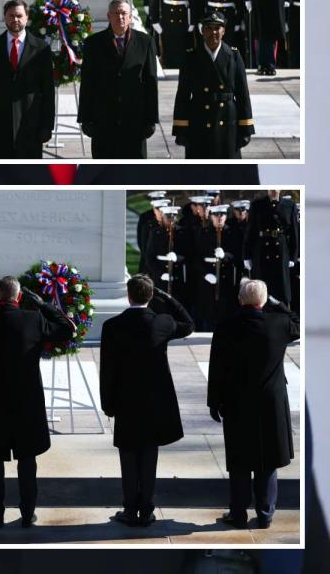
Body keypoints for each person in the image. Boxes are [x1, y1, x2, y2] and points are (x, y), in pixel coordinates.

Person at [0, 276, 76, 527]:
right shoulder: (34, 319)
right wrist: (43, 305)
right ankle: (27, 513)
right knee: (27, 461)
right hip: (27, 403)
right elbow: (67, 328)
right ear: (18, 297)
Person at [99, 275, 194, 526]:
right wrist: (170, 299)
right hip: (153, 402)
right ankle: (147, 510)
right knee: (149, 456)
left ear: (128, 296)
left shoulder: (112, 326)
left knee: (128, 457)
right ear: (151, 296)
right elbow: (188, 324)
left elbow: (107, 370)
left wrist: (107, 403)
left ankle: (130, 509)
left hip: (126, 400)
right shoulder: (161, 322)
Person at [207, 280, 299, 529]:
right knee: (267, 460)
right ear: (264, 301)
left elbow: (216, 369)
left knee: (240, 461)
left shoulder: (226, 327)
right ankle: (266, 513)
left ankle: (238, 514)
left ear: (239, 300)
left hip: (237, 402)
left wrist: (213, 402)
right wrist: (277, 304)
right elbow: (298, 322)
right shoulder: (279, 324)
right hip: (270, 402)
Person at [78, 0, 159, 158]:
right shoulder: (93, 44)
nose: (120, 17)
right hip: (104, 122)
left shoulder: (146, 42)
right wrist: (85, 118)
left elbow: (151, 83)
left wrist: (151, 119)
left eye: (124, 13)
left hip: (135, 122)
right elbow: (87, 83)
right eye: (116, 13)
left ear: (130, 17)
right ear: (108, 16)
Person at [0, 0, 55, 159]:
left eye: (19, 15)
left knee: (29, 179)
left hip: (30, 126)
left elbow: (47, 90)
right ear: (4, 17)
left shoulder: (42, 49)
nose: (15, 20)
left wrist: (47, 125)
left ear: (27, 17)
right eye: (11, 15)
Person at [171, 11, 254, 158]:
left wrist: (246, 126)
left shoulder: (234, 56)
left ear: (223, 31)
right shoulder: (191, 57)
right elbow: (182, 94)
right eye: (209, 28)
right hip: (199, 120)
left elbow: (243, 94)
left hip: (227, 121)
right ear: (202, 31)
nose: (213, 32)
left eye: (217, 28)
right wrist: (181, 128)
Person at [245, 190, 298, 308]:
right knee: (261, 291)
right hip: (262, 251)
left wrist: (293, 256)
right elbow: (250, 231)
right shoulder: (257, 205)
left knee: (281, 292)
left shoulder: (289, 205)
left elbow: (294, 233)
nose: (274, 190)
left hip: (281, 251)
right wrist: (246, 255)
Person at [192, 205, 240, 329]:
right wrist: (205, 274)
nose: (219, 218)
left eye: (222, 215)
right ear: (211, 216)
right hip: (208, 279)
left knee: (226, 313)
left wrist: (225, 255)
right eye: (216, 215)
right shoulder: (203, 233)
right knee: (208, 314)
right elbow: (196, 257)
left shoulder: (232, 233)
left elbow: (238, 256)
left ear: (226, 216)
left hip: (226, 279)